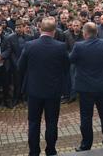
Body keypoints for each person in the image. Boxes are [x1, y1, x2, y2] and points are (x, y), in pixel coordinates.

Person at [18, 17, 70, 156]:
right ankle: (51, 150)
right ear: (54, 31)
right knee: (52, 122)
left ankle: (34, 152)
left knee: (34, 123)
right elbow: (66, 67)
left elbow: (20, 66)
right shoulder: (61, 46)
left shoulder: (29, 45)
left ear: (40, 29)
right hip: (53, 91)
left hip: (34, 90)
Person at [69, 22, 103, 151]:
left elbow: (71, 60)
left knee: (86, 117)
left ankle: (86, 145)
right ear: (96, 32)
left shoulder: (78, 46)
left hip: (85, 87)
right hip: (102, 85)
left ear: (85, 34)